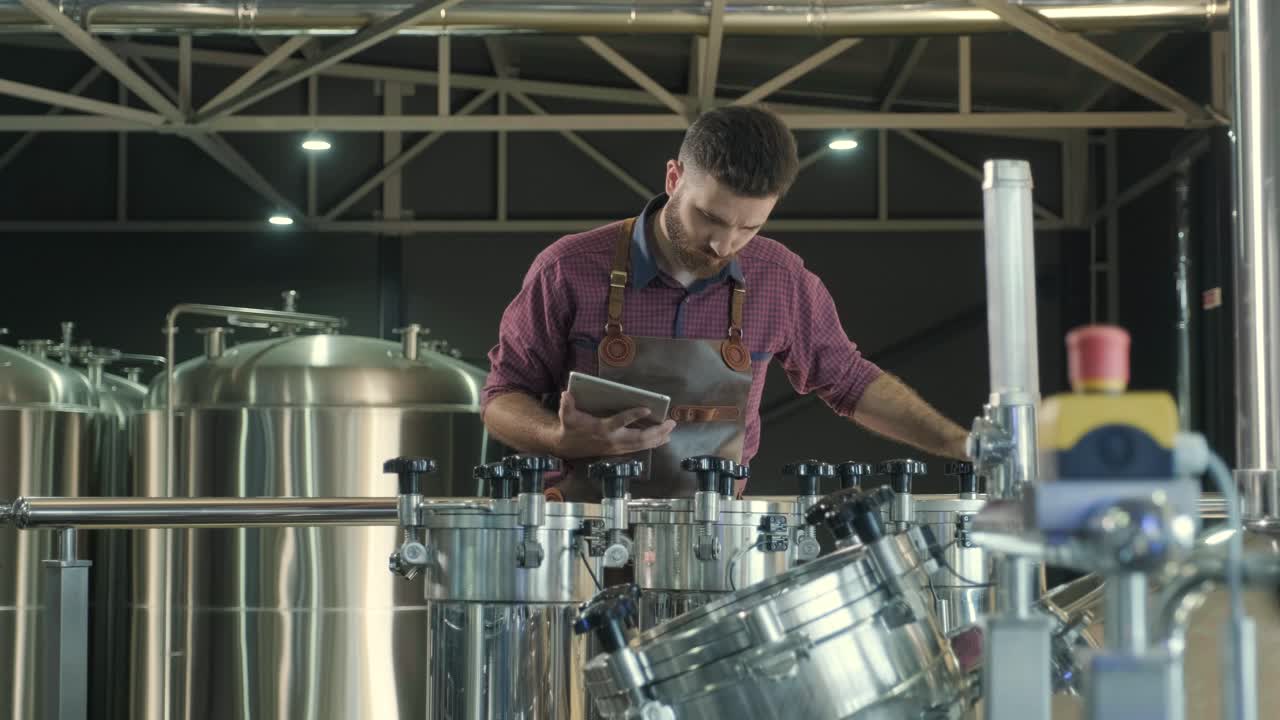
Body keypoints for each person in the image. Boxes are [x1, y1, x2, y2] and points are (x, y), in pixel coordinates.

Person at [481, 105, 969, 501]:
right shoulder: (569, 268)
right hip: (578, 537)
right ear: (674, 178)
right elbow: (500, 398)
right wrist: (557, 439)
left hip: (712, 545)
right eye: (709, 217)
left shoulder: (778, 278)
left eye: (750, 227)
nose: (724, 244)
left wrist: (959, 443)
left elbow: (848, 380)